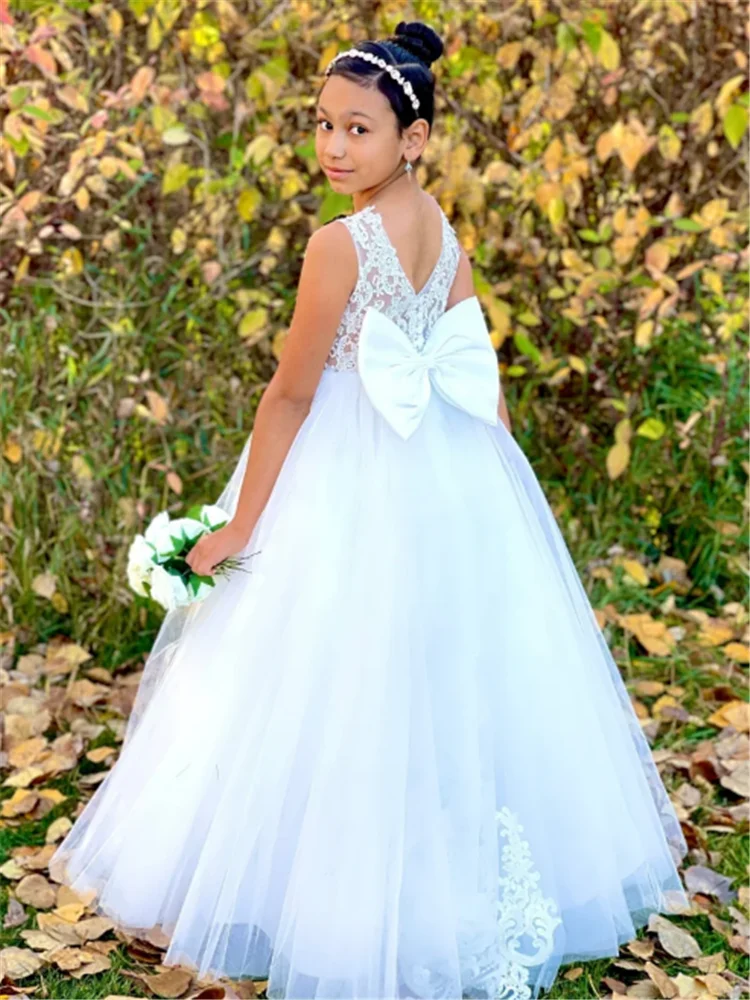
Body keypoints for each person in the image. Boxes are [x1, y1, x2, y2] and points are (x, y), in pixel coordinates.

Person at [48, 20, 690, 1000]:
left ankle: (339, 900)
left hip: (352, 475)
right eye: (322, 126)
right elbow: (479, 380)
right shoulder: (445, 232)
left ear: (415, 137)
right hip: (441, 469)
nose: (335, 147)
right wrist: (499, 497)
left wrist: (240, 529)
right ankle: (421, 875)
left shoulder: (338, 244)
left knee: (323, 674)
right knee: (425, 684)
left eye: (359, 129)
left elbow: (292, 397)